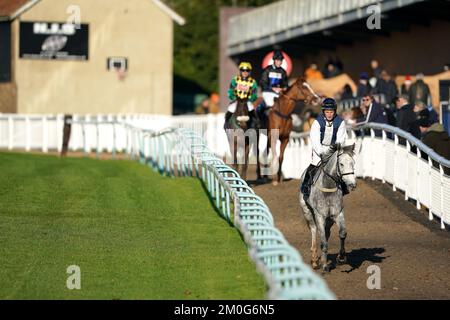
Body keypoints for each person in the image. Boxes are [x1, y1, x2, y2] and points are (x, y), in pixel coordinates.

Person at [300, 98, 348, 200]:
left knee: (342, 167)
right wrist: (322, 153)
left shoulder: (340, 122)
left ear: (335, 111)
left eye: (331, 112)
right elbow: (315, 140)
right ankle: (305, 187)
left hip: (334, 150)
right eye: (327, 112)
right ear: (323, 112)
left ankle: (344, 187)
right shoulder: (317, 122)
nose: (329, 114)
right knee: (314, 165)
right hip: (319, 149)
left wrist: (333, 153)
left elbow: (341, 140)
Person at [225, 61, 259, 128]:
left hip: (247, 101)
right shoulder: (235, 80)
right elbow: (230, 91)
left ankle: (256, 124)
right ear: (240, 71)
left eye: (247, 70)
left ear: (249, 72)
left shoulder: (253, 82)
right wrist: (233, 98)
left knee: (251, 109)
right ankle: (226, 125)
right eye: (243, 70)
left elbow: (255, 94)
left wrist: (250, 99)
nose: (245, 72)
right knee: (230, 109)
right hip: (237, 100)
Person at [417, 109, 450, 173]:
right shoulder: (445, 135)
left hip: (436, 170)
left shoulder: (430, 136)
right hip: (446, 169)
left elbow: (422, 151)